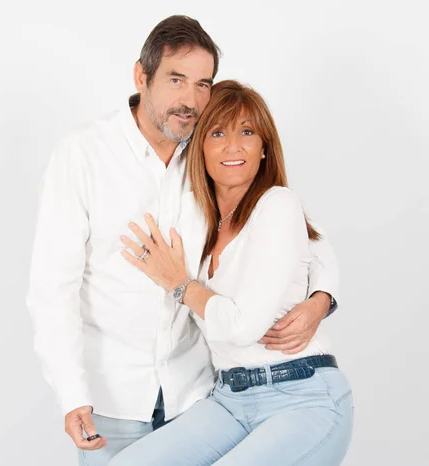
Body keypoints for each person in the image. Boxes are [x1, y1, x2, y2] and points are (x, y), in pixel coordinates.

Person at [27, 16, 339, 466]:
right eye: (177, 80)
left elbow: (300, 230)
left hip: (198, 397)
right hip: (111, 399)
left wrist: (322, 297)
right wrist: (71, 393)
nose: (190, 100)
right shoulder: (83, 154)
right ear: (142, 76)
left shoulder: (212, 153)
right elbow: (52, 287)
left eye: (202, 84)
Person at [110, 80, 353, 466]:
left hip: (302, 393)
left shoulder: (278, 204)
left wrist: (179, 284)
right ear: (199, 148)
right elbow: (316, 248)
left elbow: (242, 327)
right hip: (228, 399)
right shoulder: (196, 221)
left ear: (264, 148)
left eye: (247, 132)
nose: (233, 146)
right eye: (218, 132)